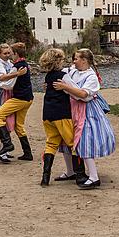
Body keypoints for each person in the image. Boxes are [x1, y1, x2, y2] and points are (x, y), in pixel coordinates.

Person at [53, 48, 116, 190]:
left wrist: (65, 87)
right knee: (66, 140)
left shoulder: (91, 77)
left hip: (87, 112)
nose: (74, 61)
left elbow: (83, 94)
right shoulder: (73, 71)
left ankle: (94, 177)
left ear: (84, 60)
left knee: (84, 142)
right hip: (70, 109)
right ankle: (70, 171)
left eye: (76, 58)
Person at [38, 48, 86, 187]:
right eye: (62, 59)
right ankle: (80, 175)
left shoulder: (48, 76)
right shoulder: (62, 76)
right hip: (61, 114)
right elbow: (75, 91)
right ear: (58, 61)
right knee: (73, 143)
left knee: (51, 143)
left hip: (47, 114)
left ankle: (45, 177)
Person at [0, 42, 34, 161]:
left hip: (19, 98)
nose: (9, 56)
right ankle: (27, 153)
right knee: (18, 125)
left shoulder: (16, 66)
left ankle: (7, 144)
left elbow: (7, 84)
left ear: (15, 54)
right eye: (6, 53)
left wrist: (15, 74)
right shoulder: (23, 64)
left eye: (10, 53)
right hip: (28, 98)